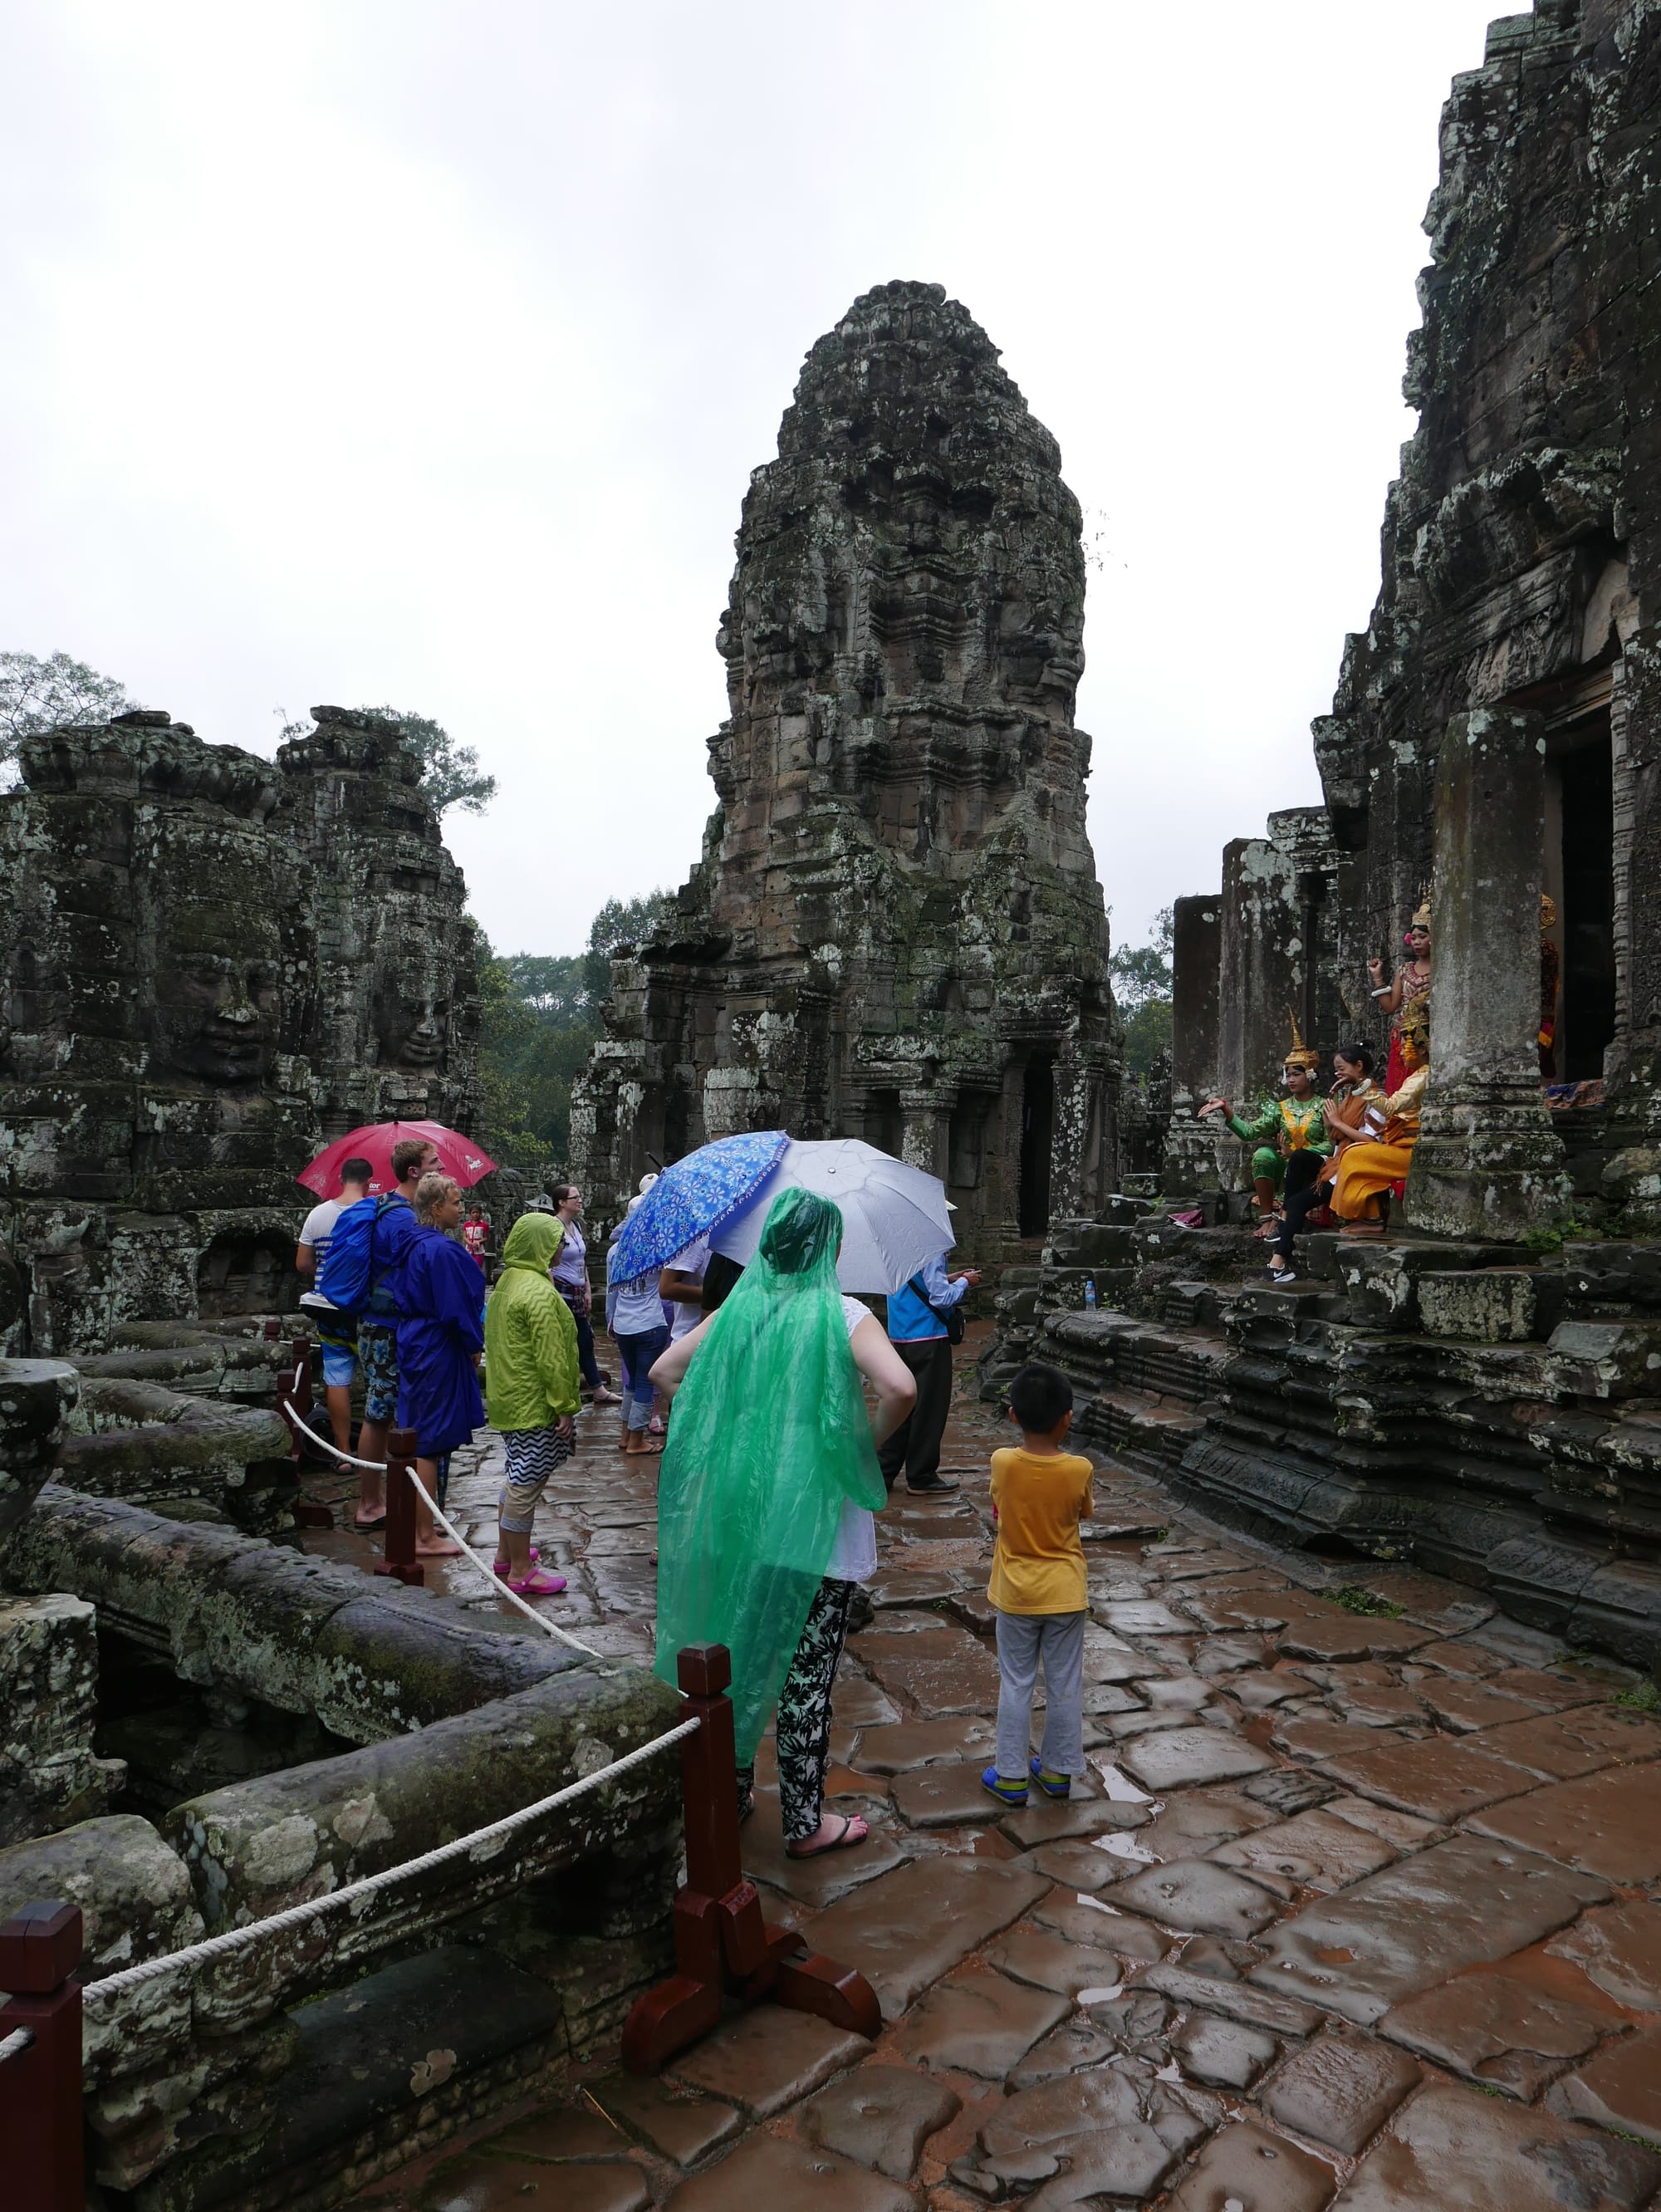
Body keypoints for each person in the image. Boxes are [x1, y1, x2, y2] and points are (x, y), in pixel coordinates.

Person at [650, 1189, 915, 1857]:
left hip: (740, 1509)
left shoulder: (738, 1311)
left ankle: (730, 1793)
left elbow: (664, 1370)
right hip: (814, 1522)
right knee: (806, 1677)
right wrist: (857, 1442)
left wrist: (733, 1420)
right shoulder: (843, 1314)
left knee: (734, 1659)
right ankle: (804, 1822)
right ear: (830, 1248)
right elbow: (902, 1389)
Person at [982, 1362, 1095, 1808]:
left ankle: (1009, 1775)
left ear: (1013, 1416)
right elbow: (1084, 1513)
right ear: (1068, 1418)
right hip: (1066, 1591)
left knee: (1016, 1681)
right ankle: (1056, 1772)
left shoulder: (1003, 1461)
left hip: (1016, 1592)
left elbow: (999, 1504)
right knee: (1064, 1682)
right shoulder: (1080, 1468)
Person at [380, 1171, 484, 1557]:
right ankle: (424, 1535)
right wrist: (474, 1341)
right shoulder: (439, 1250)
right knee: (429, 1440)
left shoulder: (408, 1242)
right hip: (437, 1343)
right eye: (456, 1203)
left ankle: (420, 1525)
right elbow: (456, 1307)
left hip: (414, 1337)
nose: (461, 1209)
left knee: (417, 1432)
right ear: (437, 1207)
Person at [483, 1211, 577, 1597]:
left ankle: (507, 1555)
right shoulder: (538, 1293)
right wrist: (564, 1404)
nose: (563, 1247)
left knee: (517, 1474)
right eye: (558, 1241)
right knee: (527, 1483)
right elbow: (551, 1357)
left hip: (508, 1398)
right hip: (534, 1404)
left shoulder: (509, 1280)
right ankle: (521, 1570)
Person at [354, 1135, 440, 1523]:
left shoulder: (391, 1207)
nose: (440, 1168)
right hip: (386, 1325)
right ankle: (370, 1503)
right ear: (414, 1171)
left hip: (384, 1322)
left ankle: (384, 1497)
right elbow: (416, 1274)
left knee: (387, 1410)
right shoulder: (401, 1216)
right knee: (379, 1411)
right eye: (434, 1162)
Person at [1266, 1042, 1383, 1283]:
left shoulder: (1377, 1098)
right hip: (1337, 1160)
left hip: (1356, 1165)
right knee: (1298, 1159)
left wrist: (1337, 1123)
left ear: (1359, 1066)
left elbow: (1372, 1142)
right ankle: (1285, 1220)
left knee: (1298, 1201)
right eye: (1336, 1069)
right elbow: (1336, 1141)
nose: (1337, 1074)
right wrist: (1332, 1126)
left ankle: (1278, 1260)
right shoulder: (1349, 1097)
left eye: (1341, 1068)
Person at [1199, 1018, 1330, 1233]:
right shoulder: (1281, 1108)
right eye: (1288, 1075)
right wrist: (1225, 1108)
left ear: (1310, 1075)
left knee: (1299, 1161)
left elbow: (1330, 1145)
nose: (1291, 1080)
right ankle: (1267, 1217)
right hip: (1286, 1166)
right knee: (1262, 1155)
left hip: (1315, 1168)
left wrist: (1296, 1152)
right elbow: (1250, 1133)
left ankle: (1289, 1215)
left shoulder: (1325, 1106)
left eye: (1296, 1074)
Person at [295, 1155, 372, 1482]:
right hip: (366, 1311)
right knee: (377, 1381)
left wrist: (325, 1272)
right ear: (369, 1182)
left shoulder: (318, 1214)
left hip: (328, 1307)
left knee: (337, 1377)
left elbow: (302, 1264)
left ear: (341, 1178)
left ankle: (343, 1452)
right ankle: (376, 1450)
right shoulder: (373, 1214)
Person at [878, 1251, 982, 1493]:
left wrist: (950, 1277)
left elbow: (919, 1284)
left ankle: (884, 1471)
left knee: (902, 1406)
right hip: (929, 1339)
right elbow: (940, 1297)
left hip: (900, 1338)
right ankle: (921, 1475)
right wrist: (965, 1282)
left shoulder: (894, 1253)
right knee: (929, 1409)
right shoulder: (930, 1252)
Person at [1332, 999, 1431, 1236]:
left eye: (1406, 1046)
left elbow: (1390, 1107)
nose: (1401, 1052)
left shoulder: (1423, 1077)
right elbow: (1397, 1114)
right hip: (1402, 1144)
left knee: (1356, 1154)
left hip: (1412, 1151)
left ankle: (1371, 1219)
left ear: (1423, 1049)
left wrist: (1362, 1086)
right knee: (1354, 1153)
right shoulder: (1417, 1075)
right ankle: (1370, 1218)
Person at [546, 1184, 621, 1405]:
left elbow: (581, 1261)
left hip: (578, 1290)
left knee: (585, 1340)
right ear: (561, 1202)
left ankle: (596, 1386)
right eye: (575, 1197)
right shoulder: (554, 1227)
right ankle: (572, 1387)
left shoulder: (577, 1225)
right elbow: (549, 1261)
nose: (579, 1200)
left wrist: (588, 1289)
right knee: (568, 1340)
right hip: (561, 1290)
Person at [607, 1204, 671, 1455]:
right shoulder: (658, 1251)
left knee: (631, 1383)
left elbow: (612, 1291)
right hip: (649, 1323)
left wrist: (610, 1319)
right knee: (645, 1382)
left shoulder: (616, 1251)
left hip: (624, 1323)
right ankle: (636, 1441)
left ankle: (626, 1435)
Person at [1369, 900, 1433, 1092]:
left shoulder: (1442, 968)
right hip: (1403, 1035)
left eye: (1422, 937)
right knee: (1399, 1086)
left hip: (1429, 1035)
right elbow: (1390, 1007)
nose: (1417, 942)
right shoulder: (1405, 969)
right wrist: (1377, 977)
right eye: (1413, 938)